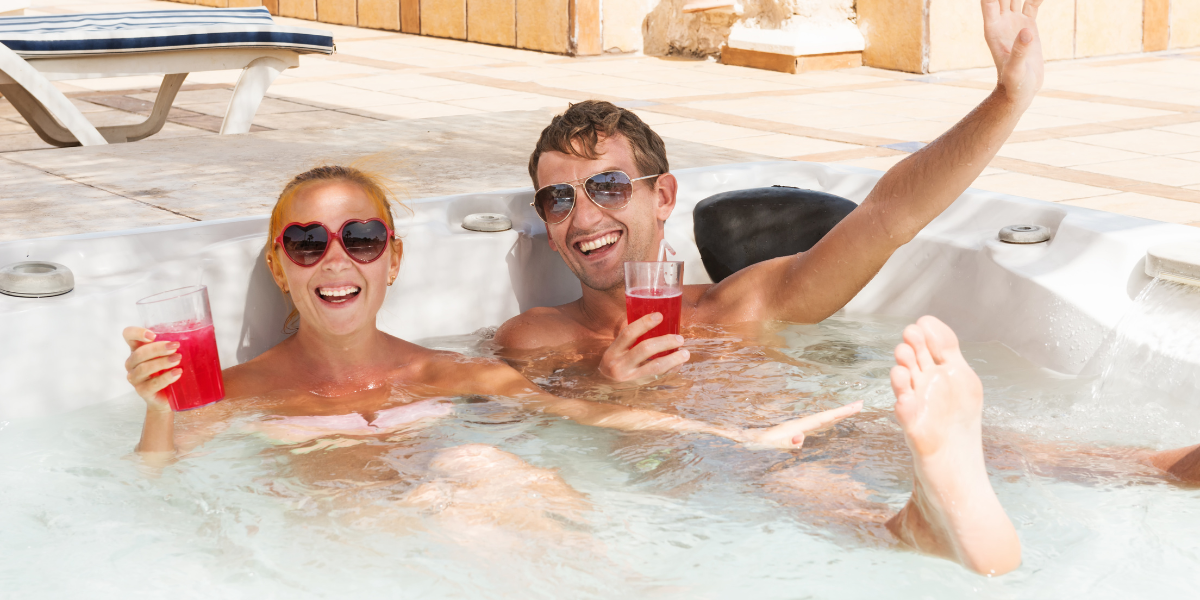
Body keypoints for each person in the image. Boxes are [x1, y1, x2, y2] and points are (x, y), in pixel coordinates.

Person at [121, 165, 862, 530]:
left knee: (482, 468)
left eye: (363, 238)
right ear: (280, 266)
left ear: (395, 260)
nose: (337, 260)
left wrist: (735, 434)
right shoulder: (230, 389)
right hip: (343, 545)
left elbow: (595, 420)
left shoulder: (450, 372)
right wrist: (160, 409)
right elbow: (152, 485)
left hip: (443, 530)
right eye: (308, 243)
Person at [494, 0, 1048, 384]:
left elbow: (887, 217)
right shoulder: (532, 341)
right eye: (558, 200)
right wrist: (606, 387)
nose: (584, 218)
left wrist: (1007, 97)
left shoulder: (746, 306)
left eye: (608, 186)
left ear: (663, 196)